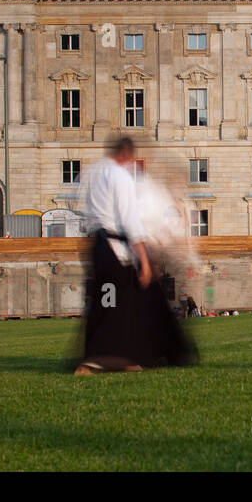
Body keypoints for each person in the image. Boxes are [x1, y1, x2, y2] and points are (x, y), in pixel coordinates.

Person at [74, 136, 193, 374]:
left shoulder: (94, 172)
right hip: (115, 247)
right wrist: (145, 262)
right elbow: (129, 220)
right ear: (127, 154)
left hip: (98, 245)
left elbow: (83, 210)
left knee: (114, 301)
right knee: (113, 303)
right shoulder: (120, 177)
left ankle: (127, 358)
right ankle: (98, 359)